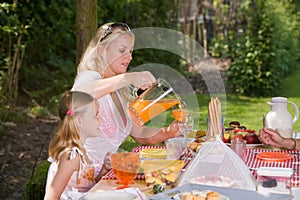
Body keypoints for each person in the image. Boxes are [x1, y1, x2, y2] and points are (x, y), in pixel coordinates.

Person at [72, 22, 181, 176]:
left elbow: (140, 132)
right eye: (122, 50)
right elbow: (79, 95)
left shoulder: (121, 92)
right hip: (78, 177)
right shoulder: (90, 77)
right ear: (102, 50)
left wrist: (168, 132)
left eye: (130, 51)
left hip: (105, 176)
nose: (129, 57)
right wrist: (128, 77)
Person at [44, 91, 111, 200]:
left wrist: (104, 170)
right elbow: (50, 198)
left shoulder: (82, 152)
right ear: (79, 120)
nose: (100, 119)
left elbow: (86, 188)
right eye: (96, 115)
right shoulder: (70, 157)